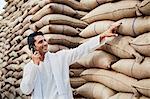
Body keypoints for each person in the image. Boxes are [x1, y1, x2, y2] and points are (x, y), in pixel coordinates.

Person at [20, 22, 121, 99]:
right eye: (40, 42)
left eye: (44, 40)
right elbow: (26, 90)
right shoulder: (29, 67)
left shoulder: (60, 58)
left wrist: (103, 36)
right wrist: (35, 65)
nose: (45, 43)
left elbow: (81, 50)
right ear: (33, 47)